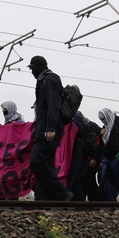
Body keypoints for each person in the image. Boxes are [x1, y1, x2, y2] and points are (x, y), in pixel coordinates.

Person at [26, 56, 72, 201]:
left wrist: (50, 128)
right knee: (45, 164)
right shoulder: (43, 80)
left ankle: (61, 193)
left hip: (48, 131)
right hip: (42, 130)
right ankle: (43, 198)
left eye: (32, 68)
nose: (31, 71)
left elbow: (54, 105)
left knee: (37, 162)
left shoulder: (49, 80)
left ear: (39, 66)